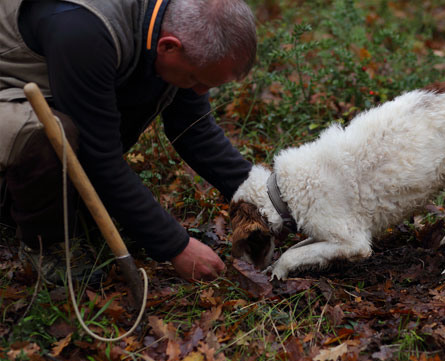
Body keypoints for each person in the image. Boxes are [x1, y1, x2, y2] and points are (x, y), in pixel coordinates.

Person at [0, 0, 257, 282]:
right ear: (169, 46)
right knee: (49, 134)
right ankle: (45, 242)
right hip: (8, 86)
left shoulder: (173, 27)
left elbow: (195, 131)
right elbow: (100, 159)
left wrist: (263, 197)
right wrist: (176, 246)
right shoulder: (83, 32)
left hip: (58, 76)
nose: (200, 91)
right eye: (196, 79)